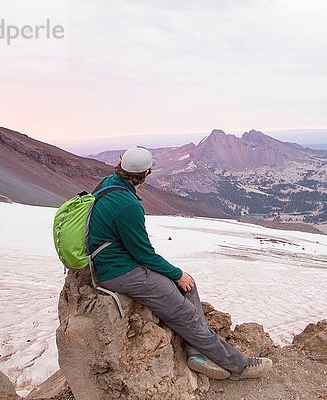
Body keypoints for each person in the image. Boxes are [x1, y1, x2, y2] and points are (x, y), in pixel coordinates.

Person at [88, 146, 273, 380]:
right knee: (184, 312)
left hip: (116, 261)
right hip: (119, 271)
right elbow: (144, 254)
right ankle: (239, 366)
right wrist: (176, 274)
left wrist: (179, 276)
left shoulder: (108, 183)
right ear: (145, 174)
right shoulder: (127, 205)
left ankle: (196, 351)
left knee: (188, 284)